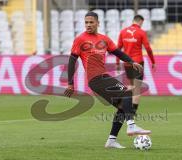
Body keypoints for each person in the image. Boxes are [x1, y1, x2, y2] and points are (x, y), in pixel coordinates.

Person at [64, 11, 151, 149]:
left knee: (122, 108)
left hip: (104, 76)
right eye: (86, 22)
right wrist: (70, 83)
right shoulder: (80, 39)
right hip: (96, 79)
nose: (88, 25)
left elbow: (118, 52)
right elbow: (72, 60)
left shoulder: (104, 39)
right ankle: (132, 126)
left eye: (91, 22)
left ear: (98, 23)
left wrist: (131, 61)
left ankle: (111, 140)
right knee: (128, 94)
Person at [116, 15, 156, 120]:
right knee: (137, 88)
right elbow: (148, 48)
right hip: (138, 62)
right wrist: (153, 61)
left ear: (133, 20)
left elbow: (118, 49)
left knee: (130, 86)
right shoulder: (141, 32)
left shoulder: (123, 31)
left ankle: (126, 108)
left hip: (127, 63)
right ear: (141, 21)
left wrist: (117, 63)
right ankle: (132, 112)